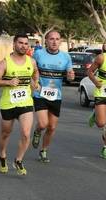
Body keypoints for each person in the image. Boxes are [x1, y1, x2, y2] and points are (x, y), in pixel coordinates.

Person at [0, 34, 39, 175]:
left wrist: (35, 82)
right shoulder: (5, 63)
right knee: (5, 133)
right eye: (20, 43)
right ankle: (2, 156)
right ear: (14, 44)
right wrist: (8, 82)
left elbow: (35, 73)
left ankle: (18, 160)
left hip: (25, 102)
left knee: (25, 133)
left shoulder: (32, 62)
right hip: (8, 104)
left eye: (26, 43)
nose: (23, 46)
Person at [31, 30, 75, 163]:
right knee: (43, 124)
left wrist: (70, 76)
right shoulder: (38, 54)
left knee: (52, 127)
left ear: (60, 41)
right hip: (40, 93)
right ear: (46, 41)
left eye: (57, 39)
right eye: (51, 39)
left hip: (56, 95)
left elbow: (69, 75)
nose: (54, 41)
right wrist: (34, 83)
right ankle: (38, 131)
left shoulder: (66, 57)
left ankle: (43, 151)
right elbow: (31, 70)